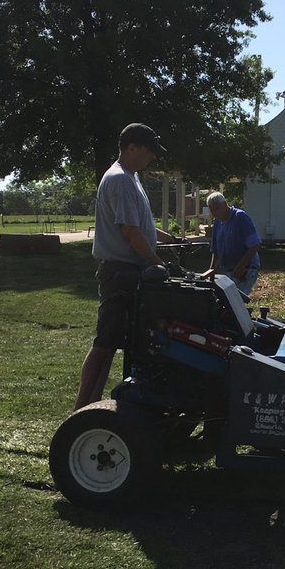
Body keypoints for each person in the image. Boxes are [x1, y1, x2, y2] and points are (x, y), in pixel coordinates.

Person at [74, 123, 169, 410]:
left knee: (114, 344)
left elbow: (142, 227)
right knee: (104, 344)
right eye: (149, 151)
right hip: (119, 273)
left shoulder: (131, 177)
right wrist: (159, 264)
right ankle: (80, 412)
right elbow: (130, 231)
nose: (151, 157)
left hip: (129, 271)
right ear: (132, 147)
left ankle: (92, 404)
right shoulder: (120, 180)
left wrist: (171, 240)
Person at [204, 191, 261, 295]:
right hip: (229, 270)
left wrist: (241, 266)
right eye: (212, 209)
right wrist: (210, 272)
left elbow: (255, 244)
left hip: (246, 270)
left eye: (217, 208)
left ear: (225, 204)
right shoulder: (217, 222)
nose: (214, 212)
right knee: (223, 301)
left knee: (235, 301)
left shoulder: (240, 217)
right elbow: (216, 251)